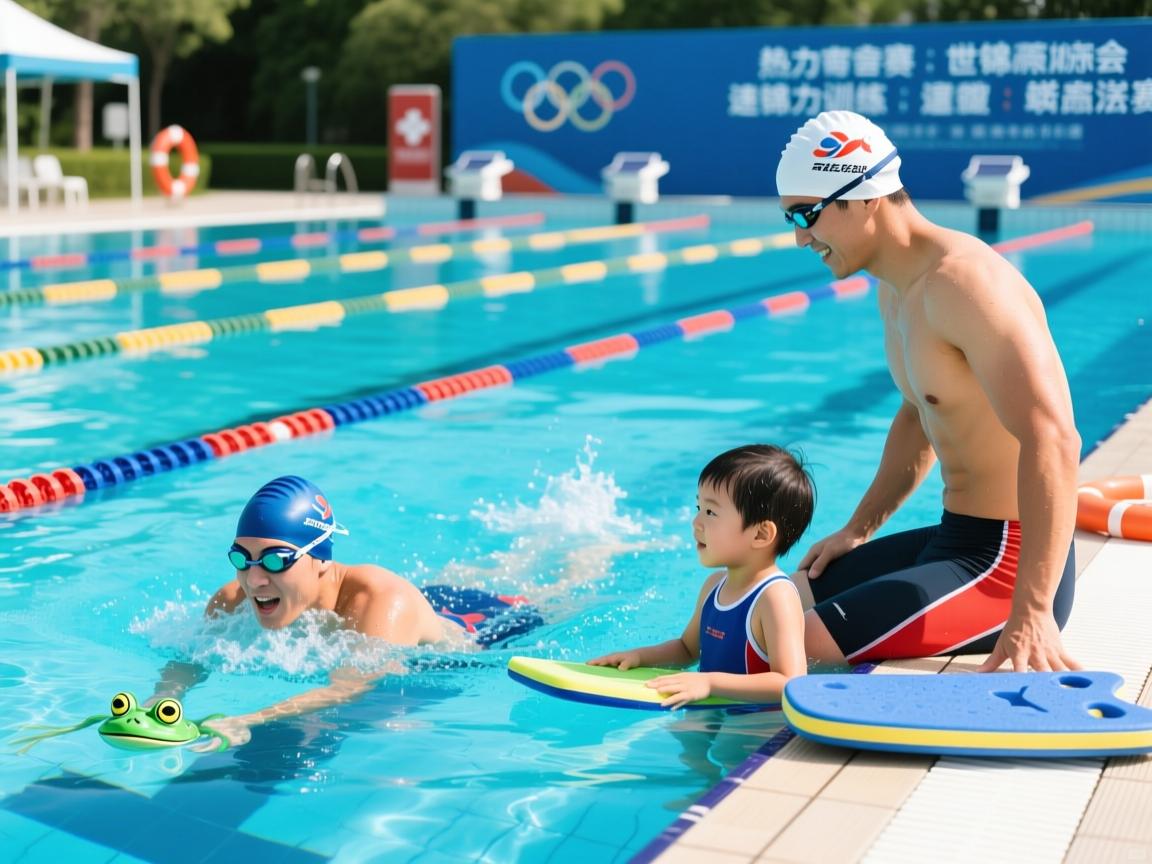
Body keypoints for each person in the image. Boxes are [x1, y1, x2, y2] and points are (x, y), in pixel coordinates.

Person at [776, 110, 1081, 673]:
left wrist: (1033, 611)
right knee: (774, 602)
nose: (800, 237)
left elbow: (1054, 437)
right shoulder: (897, 292)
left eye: (807, 214)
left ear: (864, 197)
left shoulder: (966, 284)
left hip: (1007, 566)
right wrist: (859, 529)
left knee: (790, 644)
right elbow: (920, 415)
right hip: (955, 540)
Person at [153, 475, 541, 747]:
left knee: (550, 585)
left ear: (321, 557)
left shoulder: (380, 601)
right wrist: (161, 703)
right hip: (427, 601)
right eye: (242, 558)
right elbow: (189, 658)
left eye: (275, 561)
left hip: (488, 626)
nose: (254, 580)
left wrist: (247, 720)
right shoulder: (232, 599)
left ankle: (587, 551)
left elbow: (350, 687)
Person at [588, 444, 813, 708]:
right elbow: (687, 649)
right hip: (709, 710)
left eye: (710, 512)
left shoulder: (775, 597)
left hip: (757, 728)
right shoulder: (713, 586)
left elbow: (791, 682)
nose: (696, 522)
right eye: (699, 507)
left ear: (760, 535)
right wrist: (639, 657)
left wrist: (709, 683)